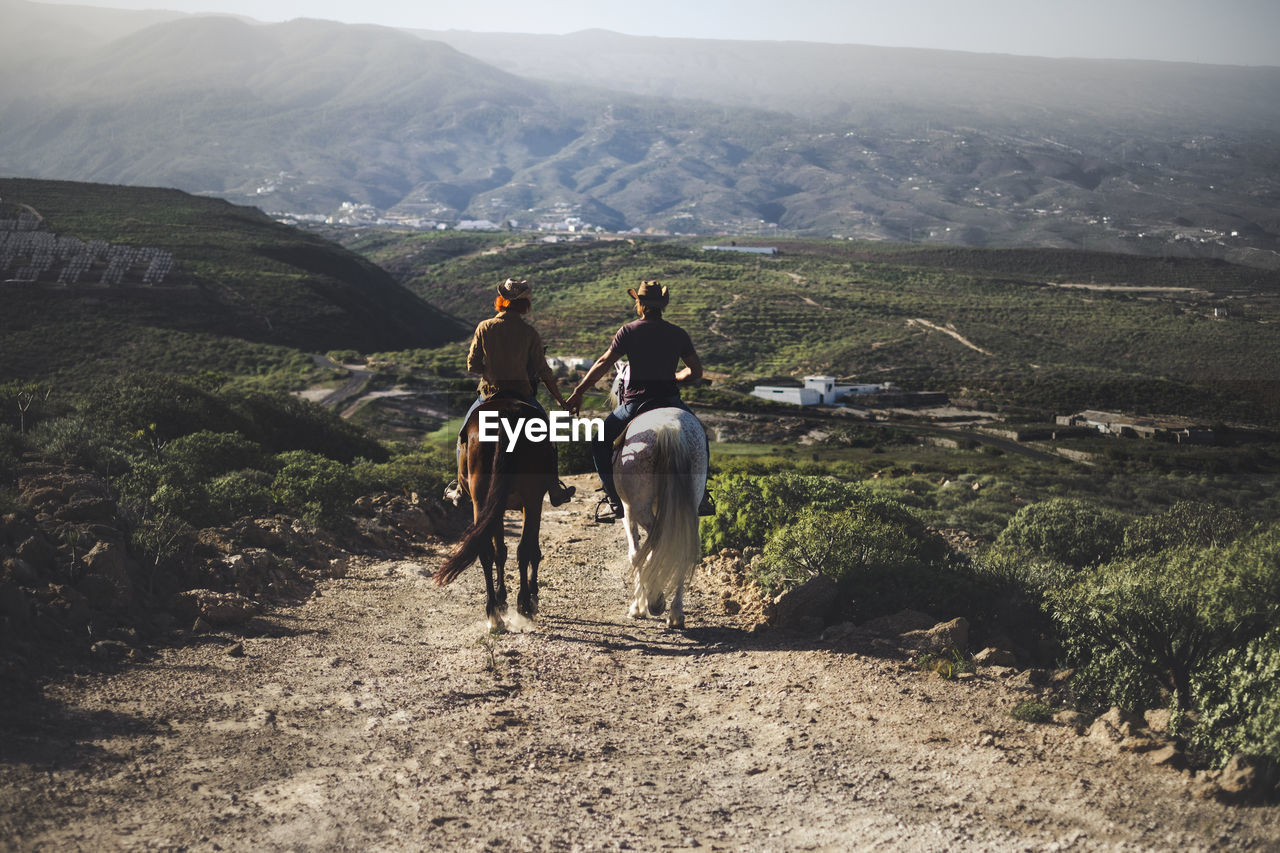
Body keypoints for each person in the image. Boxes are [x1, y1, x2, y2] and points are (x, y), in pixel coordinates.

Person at [566, 280, 711, 523]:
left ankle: (612, 499)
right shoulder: (677, 333)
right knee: (701, 439)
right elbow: (696, 372)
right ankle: (702, 496)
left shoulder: (628, 331)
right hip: (670, 401)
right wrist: (676, 376)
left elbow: (603, 363)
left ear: (640, 303)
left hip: (635, 404)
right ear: (663, 305)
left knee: (600, 442)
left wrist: (580, 391)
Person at [444, 277, 576, 507]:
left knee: (463, 436)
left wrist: (492, 370)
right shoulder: (530, 333)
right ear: (525, 305)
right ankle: (554, 488)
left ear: (501, 301)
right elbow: (544, 371)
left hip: (488, 394)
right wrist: (560, 400)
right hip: (522, 395)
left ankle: (460, 486)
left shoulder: (484, 327)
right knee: (548, 438)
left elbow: (472, 365)